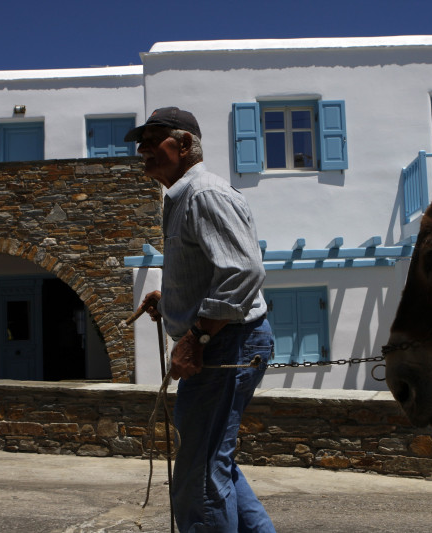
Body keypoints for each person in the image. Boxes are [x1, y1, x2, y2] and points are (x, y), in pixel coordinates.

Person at [125, 107, 276, 533]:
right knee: (212, 462)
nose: (143, 149)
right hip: (225, 341)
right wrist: (171, 298)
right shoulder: (181, 197)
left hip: (227, 344)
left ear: (186, 144)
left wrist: (196, 335)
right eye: (142, 141)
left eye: (155, 139)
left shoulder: (203, 194)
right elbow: (213, 268)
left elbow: (242, 271)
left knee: (200, 473)